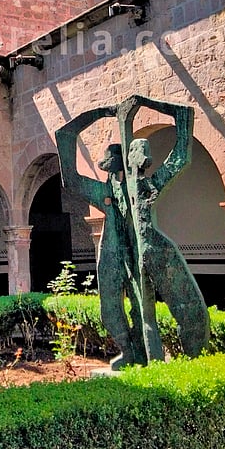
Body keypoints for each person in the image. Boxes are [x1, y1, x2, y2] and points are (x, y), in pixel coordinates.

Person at [117, 96, 210, 359]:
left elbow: (180, 154)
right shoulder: (124, 191)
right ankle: (146, 356)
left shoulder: (152, 184)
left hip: (153, 247)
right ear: (129, 157)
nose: (146, 155)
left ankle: (193, 349)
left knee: (186, 304)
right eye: (138, 149)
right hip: (135, 250)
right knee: (140, 310)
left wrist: (148, 104)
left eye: (146, 149)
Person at [56, 108, 146, 369]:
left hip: (137, 250)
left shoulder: (136, 188)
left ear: (119, 161)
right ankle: (128, 350)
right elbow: (69, 169)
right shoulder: (102, 189)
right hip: (110, 253)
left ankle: (143, 350)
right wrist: (96, 114)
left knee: (141, 305)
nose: (101, 161)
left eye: (107, 157)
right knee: (109, 309)